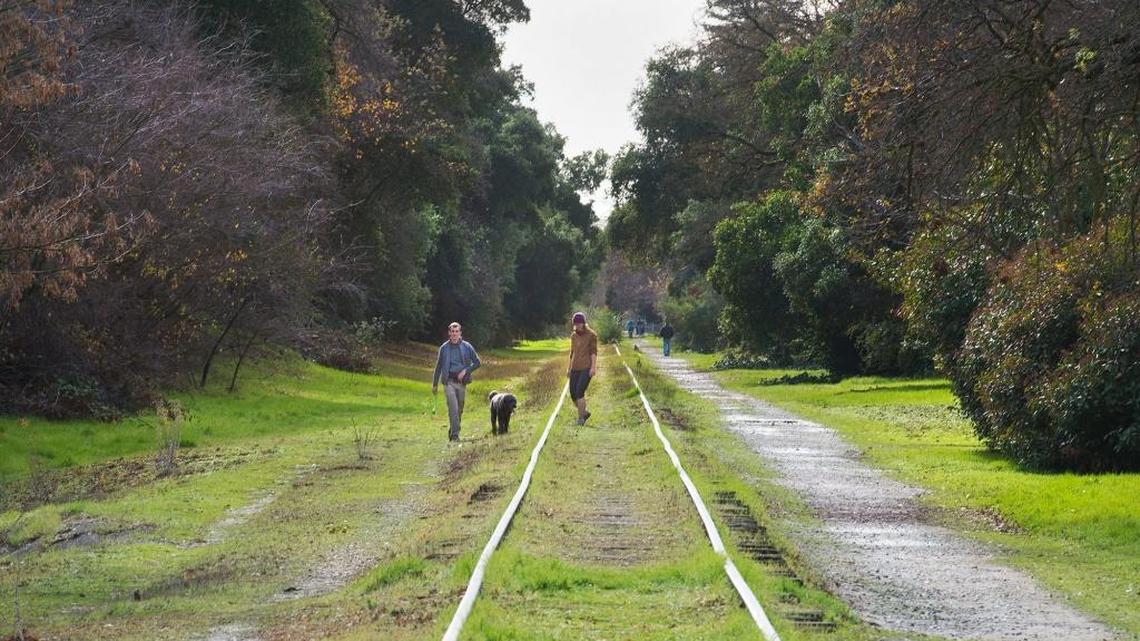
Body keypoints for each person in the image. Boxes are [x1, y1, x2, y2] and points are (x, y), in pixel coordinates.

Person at [432, 322, 481, 442]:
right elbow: (438, 366)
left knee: (459, 409)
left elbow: (477, 362)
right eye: (452, 332)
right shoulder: (444, 348)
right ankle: (455, 436)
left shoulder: (467, 346)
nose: (454, 334)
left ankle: (453, 429)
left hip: (462, 383)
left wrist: (466, 370)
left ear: (460, 333)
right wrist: (434, 384)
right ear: (449, 333)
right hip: (448, 382)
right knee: (453, 408)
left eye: (456, 331)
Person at [567, 311, 598, 426]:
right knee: (573, 394)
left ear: (583, 323)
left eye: (579, 323)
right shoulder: (573, 336)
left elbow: (593, 352)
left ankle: (580, 419)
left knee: (579, 392)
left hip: (586, 367)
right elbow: (572, 353)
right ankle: (584, 412)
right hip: (575, 367)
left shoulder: (591, 335)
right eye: (575, 323)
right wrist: (569, 368)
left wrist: (593, 367)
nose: (577, 325)